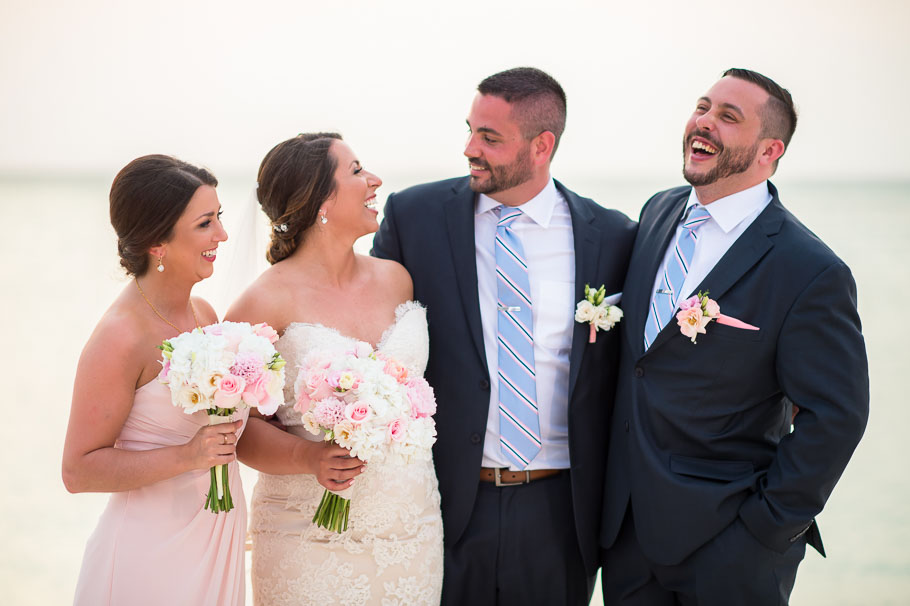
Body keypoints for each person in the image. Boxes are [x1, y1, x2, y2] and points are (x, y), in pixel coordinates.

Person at [600, 68, 870, 604]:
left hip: (728, 546)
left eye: (728, 116)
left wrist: (767, 528)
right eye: (703, 107)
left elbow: (837, 415)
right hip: (628, 534)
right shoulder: (658, 212)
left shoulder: (809, 269)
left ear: (771, 149)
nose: (704, 122)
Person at [372, 67, 637, 605]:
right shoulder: (415, 216)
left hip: (560, 512)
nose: (470, 147)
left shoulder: (611, 236)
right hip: (441, 500)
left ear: (542, 145)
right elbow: (367, 331)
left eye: (489, 137)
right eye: (470, 129)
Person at [226, 133, 444, 605]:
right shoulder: (264, 301)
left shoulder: (396, 278)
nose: (374, 181)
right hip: (308, 540)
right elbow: (235, 430)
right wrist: (310, 458)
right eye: (357, 170)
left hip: (411, 529)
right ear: (319, 200)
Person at [63, 155, 245, 605]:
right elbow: (78, 470)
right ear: (157, 243)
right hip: (149, 559)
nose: (222, 234)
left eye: (219, 217)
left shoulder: (204, 316)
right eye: (206, 223)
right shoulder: (121, 338)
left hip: (212, 541)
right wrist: (188, 454)